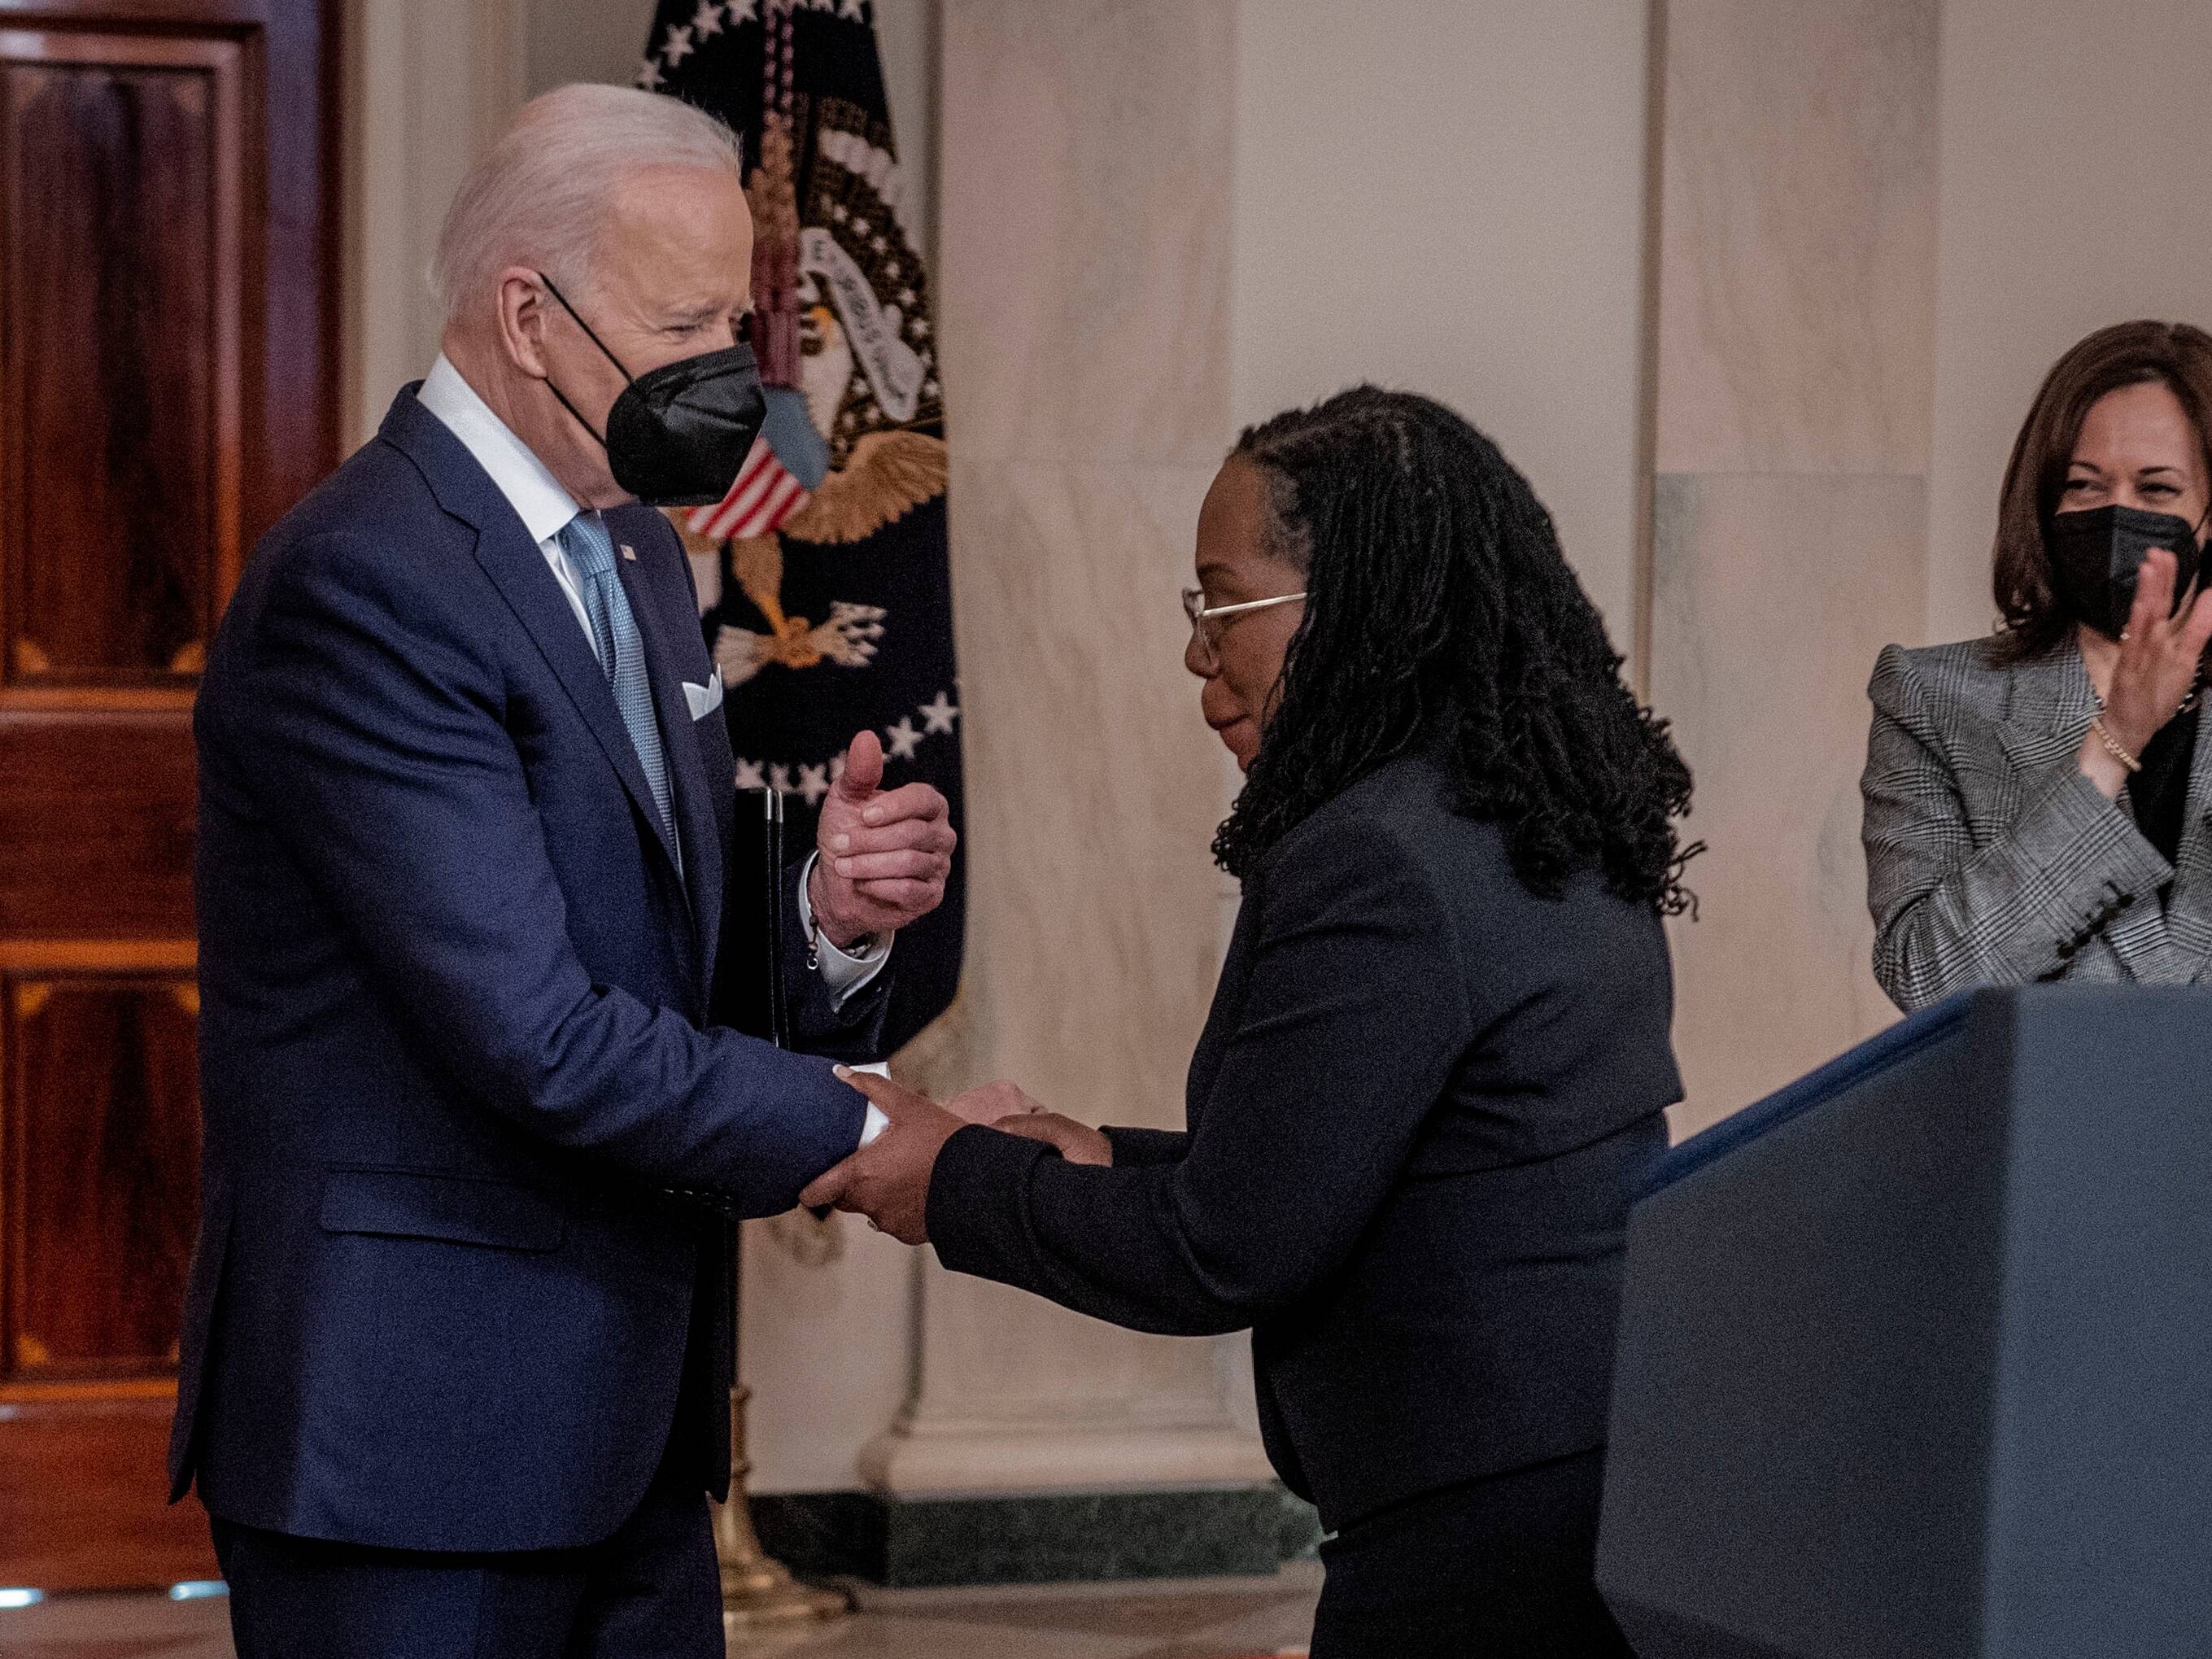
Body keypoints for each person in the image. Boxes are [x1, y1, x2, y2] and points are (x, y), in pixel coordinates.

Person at [172, 85, 954, 1658]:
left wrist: (818, 909)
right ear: (527, 317)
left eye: (735, 323)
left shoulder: (643, 552)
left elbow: (643, 937)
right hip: (417, 1436)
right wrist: (880, 1132)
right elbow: (532, 1028)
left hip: (626, 1421)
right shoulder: (367, 579)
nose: (731, 377)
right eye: (682, 321)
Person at [805, 387, 1695, 1657]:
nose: (1193, 651)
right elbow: (1348, 1155)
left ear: (1361, 606)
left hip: (1478, 1526)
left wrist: (943, 1174)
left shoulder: (1377, 857)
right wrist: (1096, 1152)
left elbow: (1228, 1245)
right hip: (1574, 1469)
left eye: (1220, 603)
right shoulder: (1520, 811)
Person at [1863, 321, 2212, 1013]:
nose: (2117, 512)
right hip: (2044, 1116)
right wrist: (2113, 744)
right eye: (2084, 486)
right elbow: (1927, 979)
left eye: (2156, 489)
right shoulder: (1931, 697)